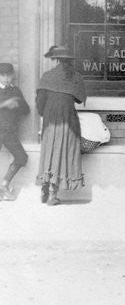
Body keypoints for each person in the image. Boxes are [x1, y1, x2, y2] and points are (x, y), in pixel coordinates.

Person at [35, 45, 87, 206]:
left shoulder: (47, 76)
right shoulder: (76, 77)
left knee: (49, 151)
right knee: (63, 152)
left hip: (51, 120)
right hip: (68, 119)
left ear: (56, 60)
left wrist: (46, 114)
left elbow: (40, 102)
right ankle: (53, 195)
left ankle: (45, 188)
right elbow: (79, 99)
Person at [0, 62, 30, 201]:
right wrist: (4, 105)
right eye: (2, 75)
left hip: (9, 132)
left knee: (21, 157)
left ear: (12, 76)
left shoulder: (15, 91)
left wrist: (17, 104)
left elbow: (26, 111)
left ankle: (4, 185)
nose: (6, 78)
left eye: (8, 75)